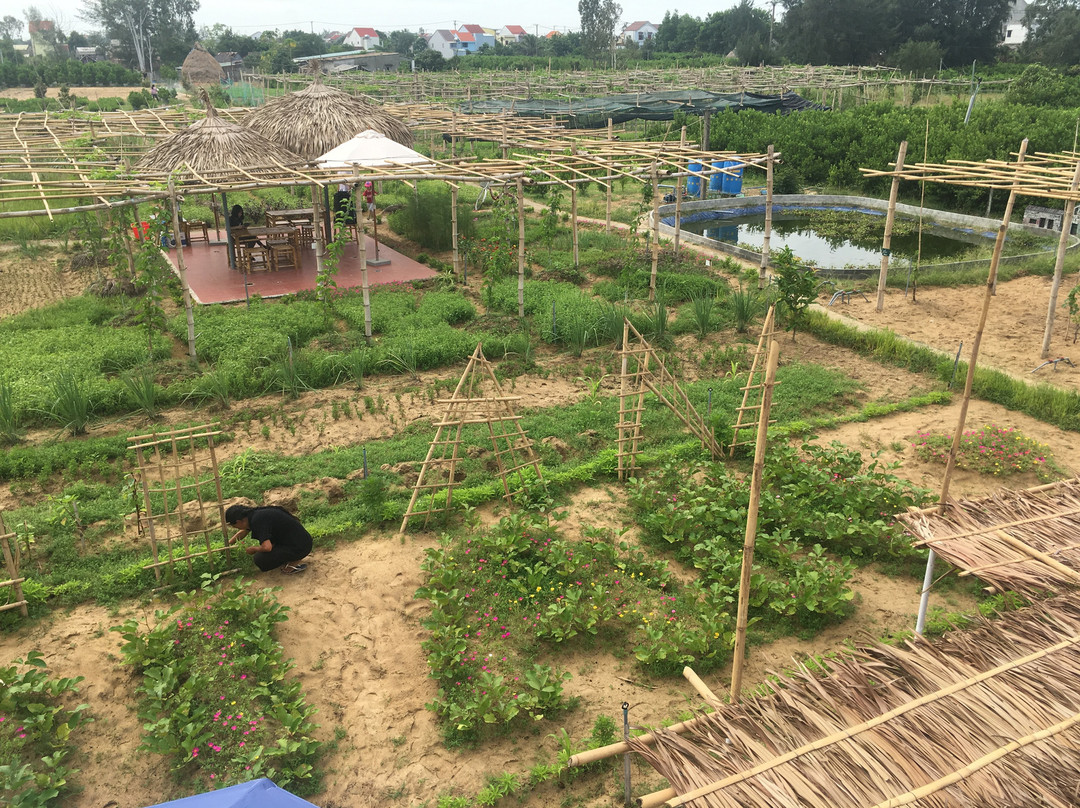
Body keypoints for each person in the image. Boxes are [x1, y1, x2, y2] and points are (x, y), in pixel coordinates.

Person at [225, 504, 312, 574]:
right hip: (301, 540)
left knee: (260, 559)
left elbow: (267, 547)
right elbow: (243, 532)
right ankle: (289, 556)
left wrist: (253, 549)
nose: (236, 528)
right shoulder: (253, 514)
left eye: (235, 526)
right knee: (267, 549)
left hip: (301, 546)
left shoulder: (257, 521)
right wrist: (227, 545)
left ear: (239, 522)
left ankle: (293, 562)